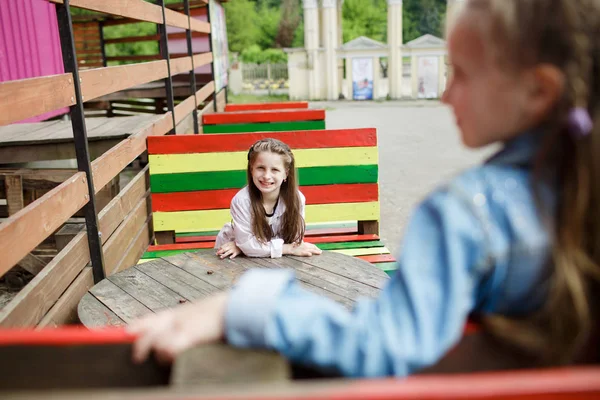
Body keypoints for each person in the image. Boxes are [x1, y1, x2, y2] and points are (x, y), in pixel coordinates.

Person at [128, 0, 600, 377]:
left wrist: (241, 310)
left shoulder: (464, 214)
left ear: (538, 90)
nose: (444, 93)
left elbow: (386, 346)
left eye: (462, 74)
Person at [214, 138, 322, 259]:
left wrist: (245, 247)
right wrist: (245, 247)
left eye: (275, 170)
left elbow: (294, 241)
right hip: (233, 258)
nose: (266, 176)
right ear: (251, 169)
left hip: (274, 259)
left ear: (286, 173)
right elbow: (249, 245)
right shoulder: (242, 200)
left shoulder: (296, 199)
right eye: (261, 168)